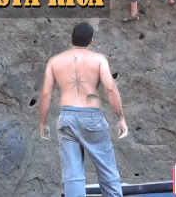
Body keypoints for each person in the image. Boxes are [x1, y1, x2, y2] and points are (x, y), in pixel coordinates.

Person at [39, 22, 128, 197]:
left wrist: (42, 123)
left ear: (71, 38)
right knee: (107, 170)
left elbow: (45, 94)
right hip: (91, 117)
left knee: (72, 175)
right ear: (91, 40)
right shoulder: (99, 59)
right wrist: (121, 118)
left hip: (67, 117)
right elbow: (110, 88)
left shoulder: (54, 61)